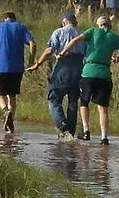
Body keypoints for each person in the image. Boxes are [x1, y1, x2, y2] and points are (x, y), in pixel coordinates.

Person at [31, 9, 86, 139]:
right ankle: (71, 131)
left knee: (54, 99)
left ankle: (63, 127)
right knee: (73, 101)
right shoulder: (82, 34)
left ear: (64, 22)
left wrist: (38, 64)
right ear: (75, 22)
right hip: (78, 68)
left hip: (62, 67)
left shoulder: (59, 32)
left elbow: (50, 49)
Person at [0, 8, 35, 132]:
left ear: (3, 18)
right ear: (14, 18)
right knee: (12, 95)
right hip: (17, 68)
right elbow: (32, 43)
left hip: (1, 66)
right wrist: (31, 60)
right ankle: (11, 123)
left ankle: (6, 111)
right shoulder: (21, 27)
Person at [76, 12, 119, 143]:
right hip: (104, 74)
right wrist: (118, 58)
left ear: (98, 25)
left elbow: (76, 40)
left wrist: (64, 51)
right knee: (103, 107)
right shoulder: (114, 37)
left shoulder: (93, 31)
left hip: (89, 72)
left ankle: (86, 130)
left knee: (84, 102)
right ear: (110, 26)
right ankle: (104, 137)